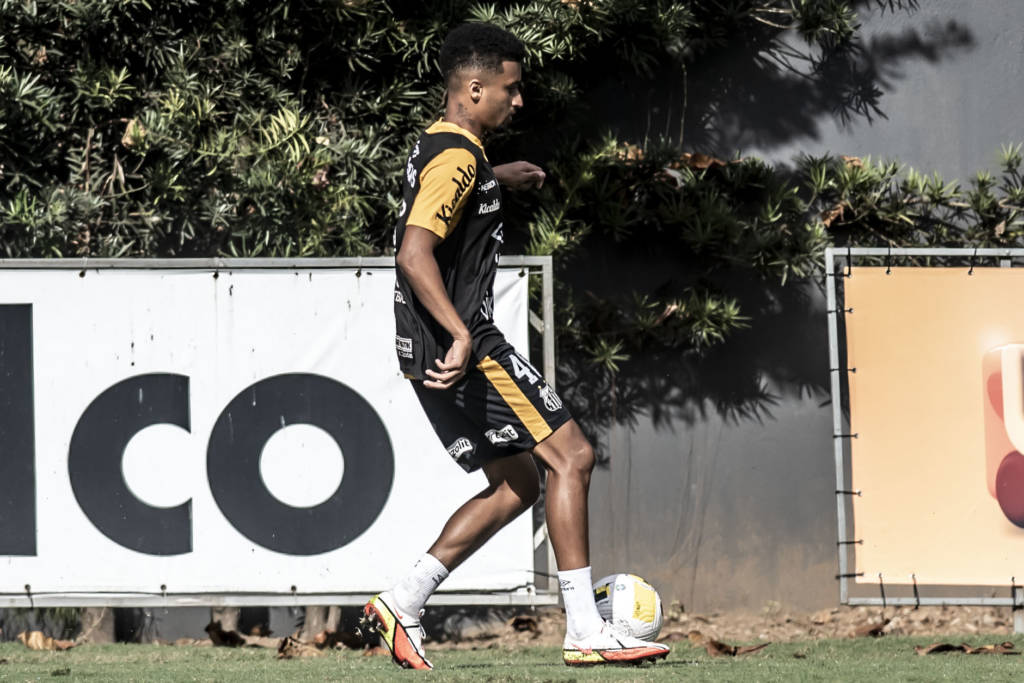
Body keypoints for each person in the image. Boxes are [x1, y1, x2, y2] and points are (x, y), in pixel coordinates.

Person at [363, 22, 670, 669]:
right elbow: (414, 253)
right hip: (463, 346)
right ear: (475, 89)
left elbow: (441, 201)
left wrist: (495, 178)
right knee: (573, 457)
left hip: (428, 350)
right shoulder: (457, 158)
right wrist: (460, 332)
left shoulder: (448, 149)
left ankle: (403, 600)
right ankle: (586, 629)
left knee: (517, 482)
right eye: (511, 87)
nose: (519, 99)